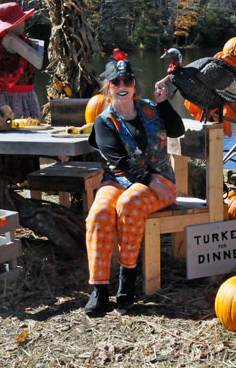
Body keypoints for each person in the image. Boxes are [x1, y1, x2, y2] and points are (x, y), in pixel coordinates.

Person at [84, 50, 185, 315]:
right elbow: (120, 161)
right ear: (108, 87)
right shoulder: (103, 122)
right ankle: (99, 289)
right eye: (116, 82)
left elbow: (177, 131)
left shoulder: (150, 108)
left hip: (161, 179)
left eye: (127, 81)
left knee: (129, 204)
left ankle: (127, 280)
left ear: (134, 85)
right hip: (119, 180)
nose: (122, 86)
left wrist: (164, 103)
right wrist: (149, 181)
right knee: (99, 214)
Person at [0, 2, 43, 119]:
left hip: (26, 102)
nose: (24, 24)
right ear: (11, 25)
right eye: (20, 21)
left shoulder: (31, 45)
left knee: (28, 132)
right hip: (0, 102)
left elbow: (39, 63)